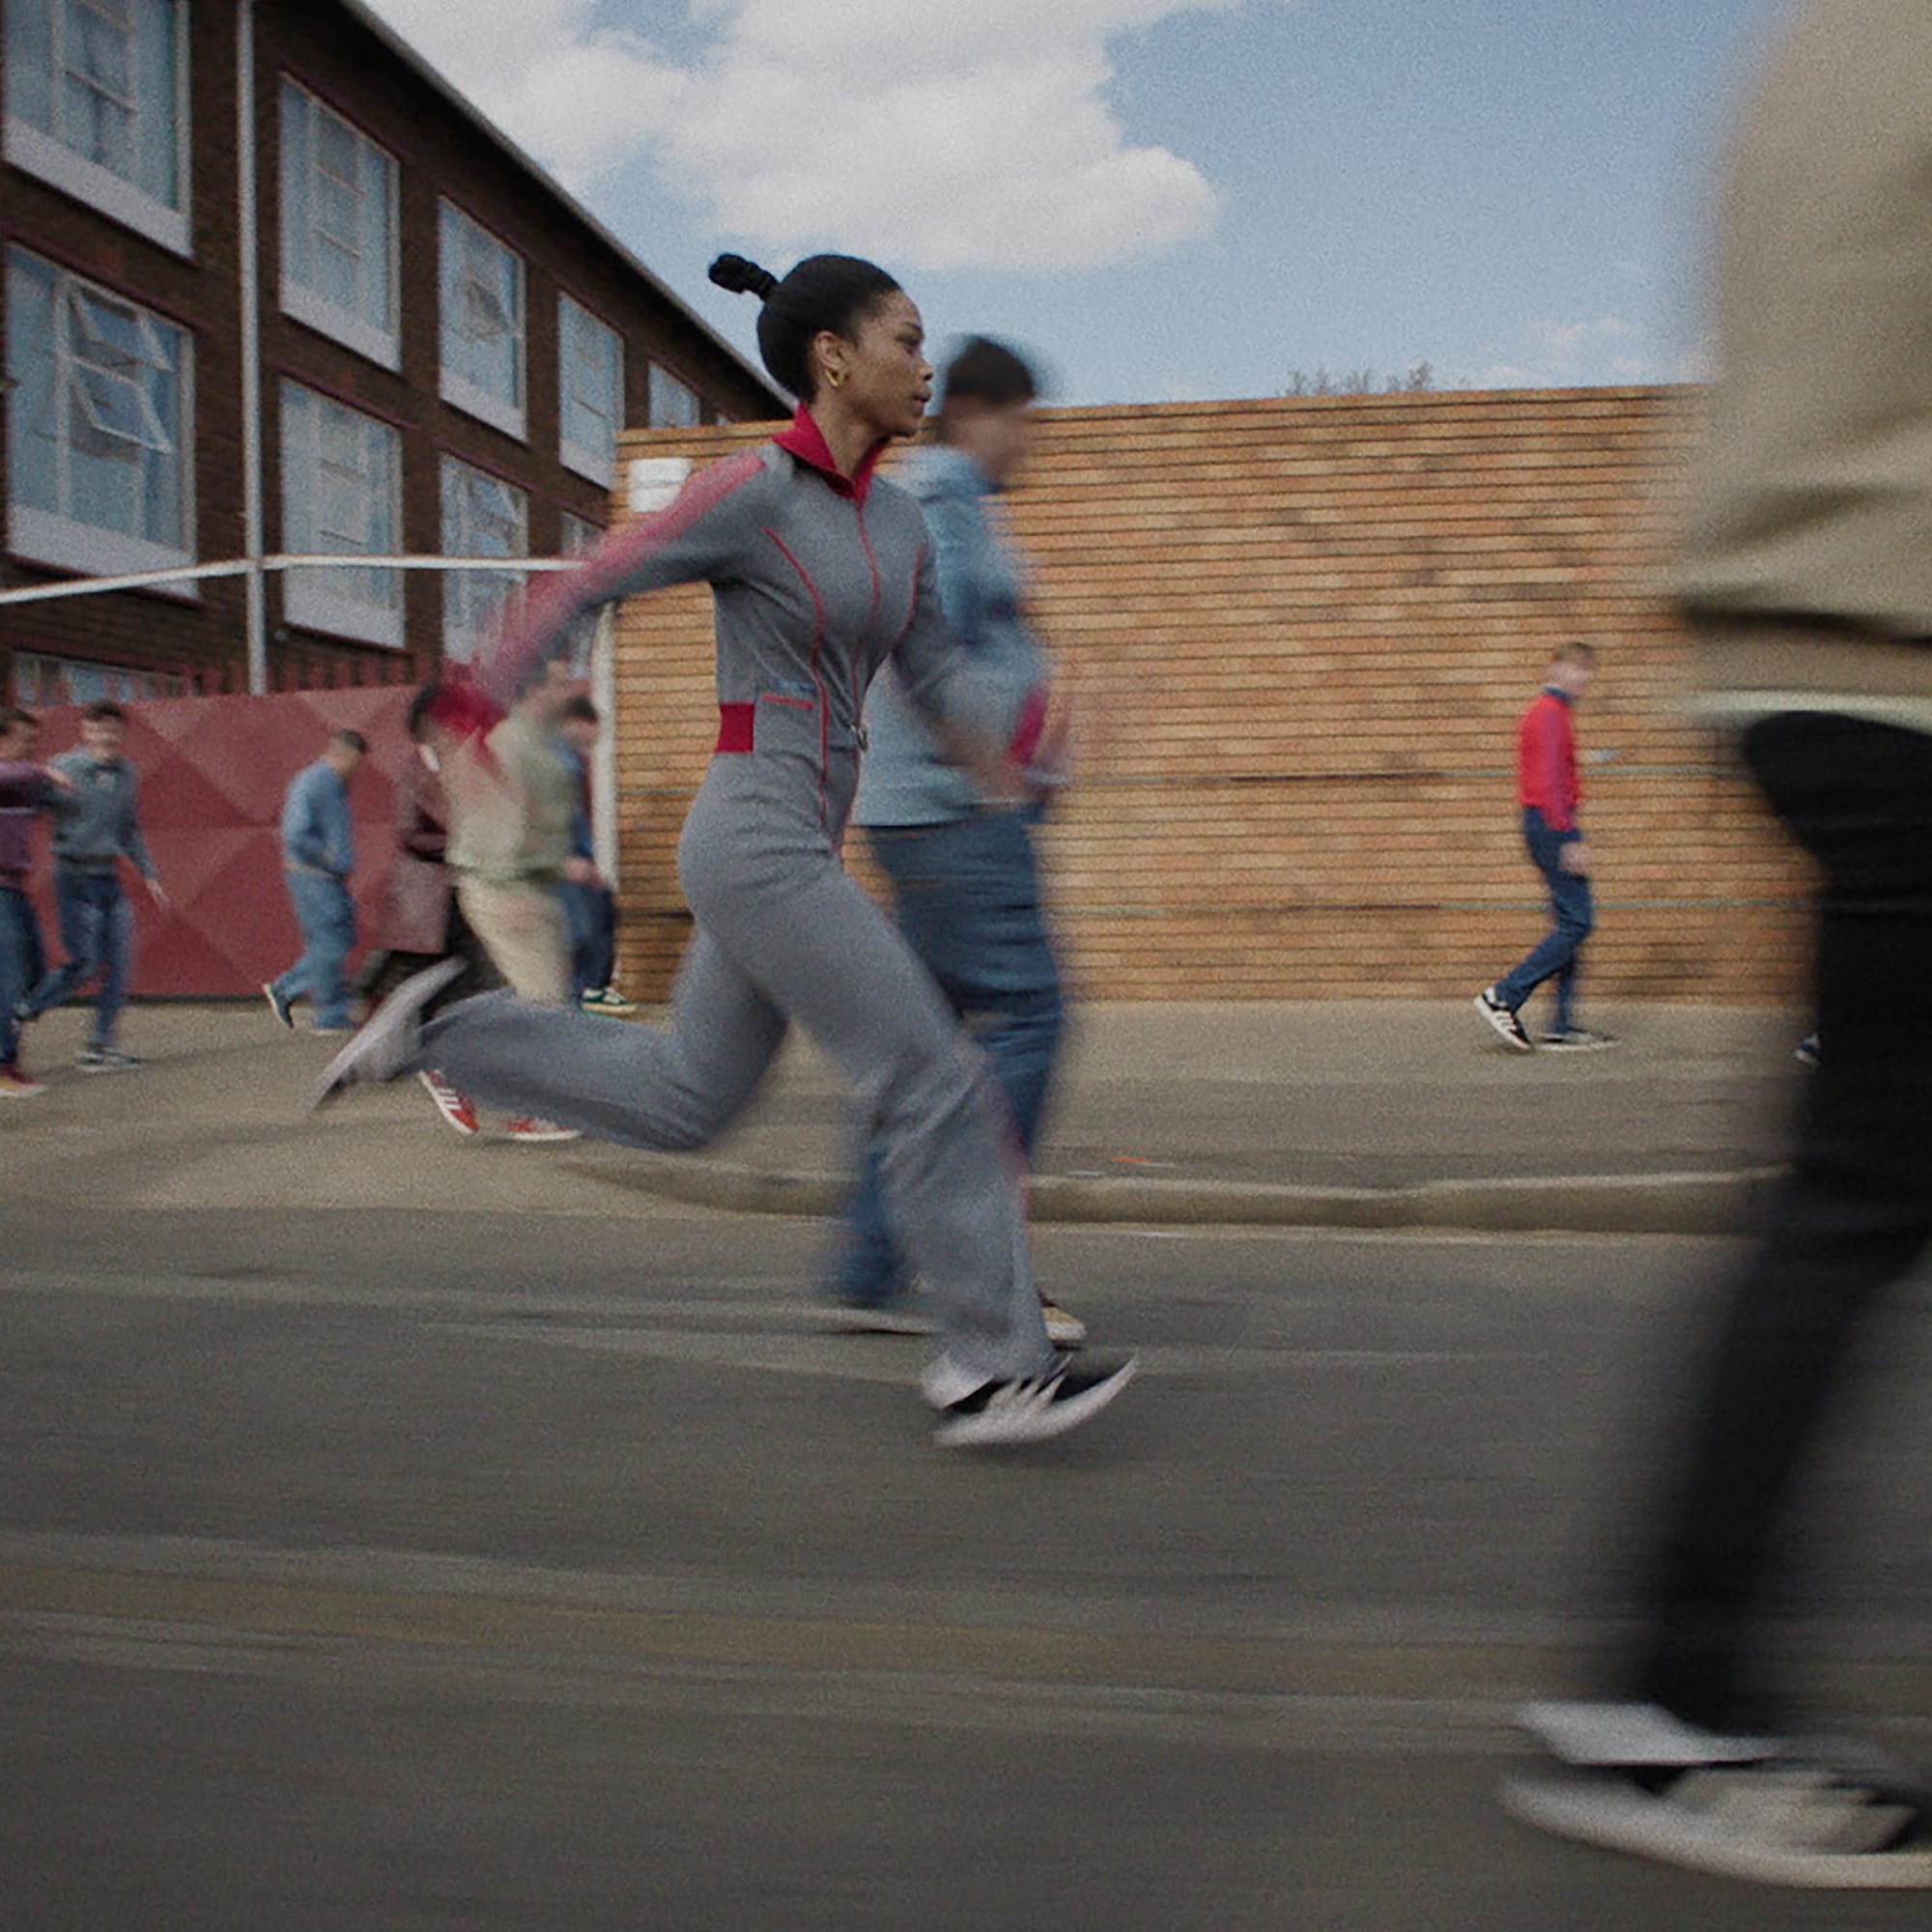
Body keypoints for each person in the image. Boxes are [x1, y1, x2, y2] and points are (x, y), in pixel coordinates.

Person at [313, 248, 1135, 1447]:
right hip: (753, 832)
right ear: (833, 357)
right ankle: (988, 1364)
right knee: (931, 1074)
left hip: (800, 839)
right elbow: (596, 575)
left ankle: (444, 1026)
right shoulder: (750, 489)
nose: (925, 367)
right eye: (905, 341)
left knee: (688, 1099)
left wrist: (1031, 738)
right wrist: (478, 692)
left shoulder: (900, 522)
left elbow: (937, 678)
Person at [1505, 0, 1932, 1887]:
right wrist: (1567, 825)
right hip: (1902, 651)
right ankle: (1668, 1693)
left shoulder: (1814, 48)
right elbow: (1538, 769)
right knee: (1854, 1191)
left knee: (1849, 1188)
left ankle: (1666, 1686)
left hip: (1799, 650)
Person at [817, 335, 1081, 1348]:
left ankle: (869, 1265)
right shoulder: (944, 502)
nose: (1030, 444)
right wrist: (993, 769)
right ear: (977, 414)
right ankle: (975, 1265)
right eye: (1025, 424)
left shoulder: (943, 505)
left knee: (920, 1049)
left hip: (931, 811)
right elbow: (920, 647)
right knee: (1029, 1019)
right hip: (955, 815)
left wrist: (1039, 749)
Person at [443, 658, 584, 1144]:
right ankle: (529, 1105)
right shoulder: (513, 742)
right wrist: (509, 886)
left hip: (526, 884)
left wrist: (559, 866)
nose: (570, 690)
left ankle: (463, 1069)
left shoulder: (535, 742)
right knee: (543, 1002)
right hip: (507, 888)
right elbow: (494, 817)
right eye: (560, 682)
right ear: (535, 690)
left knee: (539, 999)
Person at [358, 684, 500, 1136]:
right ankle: (440, 1071)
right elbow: (409, 834)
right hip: (426, 903)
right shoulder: (416, 771)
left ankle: (456, 1069)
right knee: (436, 990)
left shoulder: (467, 764)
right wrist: (459, 844)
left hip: (467, 894)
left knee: (472, 986)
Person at [1473, 641, 1614, 1052]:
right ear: (1555, 669)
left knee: (1569, 923)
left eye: (1587, 670)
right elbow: (1550, 780)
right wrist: (1569, 837)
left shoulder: (1550, 712)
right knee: (1578, 923)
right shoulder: (1550, 712)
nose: (1583, 677)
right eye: (1575, 668)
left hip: (1544, 822)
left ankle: (1562, 1025)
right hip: (1551, 825)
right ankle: (1504, 995)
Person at [20, 699, 166, 1072]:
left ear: (122, 734)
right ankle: (24, 1010)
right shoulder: (62, 767)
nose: (106, 737)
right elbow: (30, 803)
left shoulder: (126, 774)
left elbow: (128, 828)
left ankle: (100, 1046)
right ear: (85, 732)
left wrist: (149, 873)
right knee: (84, 962)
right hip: (73, 876)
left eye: (112, 730)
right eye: (98, 729)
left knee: (119, 965)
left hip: (108, 878)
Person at [264, 728, 365, 1035]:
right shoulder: (315, 782)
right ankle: (325, 1013)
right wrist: (328, 856)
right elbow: (295, 832)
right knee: (331, 943)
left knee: (338, 939)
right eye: (355, 762)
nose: (356, 770)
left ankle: (293, 992)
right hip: (314, 876)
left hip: (322, 876)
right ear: (342, 754)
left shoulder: (330, 783)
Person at [0, 706, 71, 1097]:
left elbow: (53, 799)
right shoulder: (15, 774)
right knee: (10, 979)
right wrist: (44, 770)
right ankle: (2, 1066)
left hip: (15, 887)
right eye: (24, 739)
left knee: (33, 973)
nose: (30, 746)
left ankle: (8, 1058)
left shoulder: (23, 782)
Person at [555, 694, 635, 1016]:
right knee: (584, 932)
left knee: (598, 919)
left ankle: (585, 993)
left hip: (573, 859)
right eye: (593, 733)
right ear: (578, 723)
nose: (594, 742)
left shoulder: (569, 760)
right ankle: (582, 996)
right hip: (564, 862)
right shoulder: (560, 762)